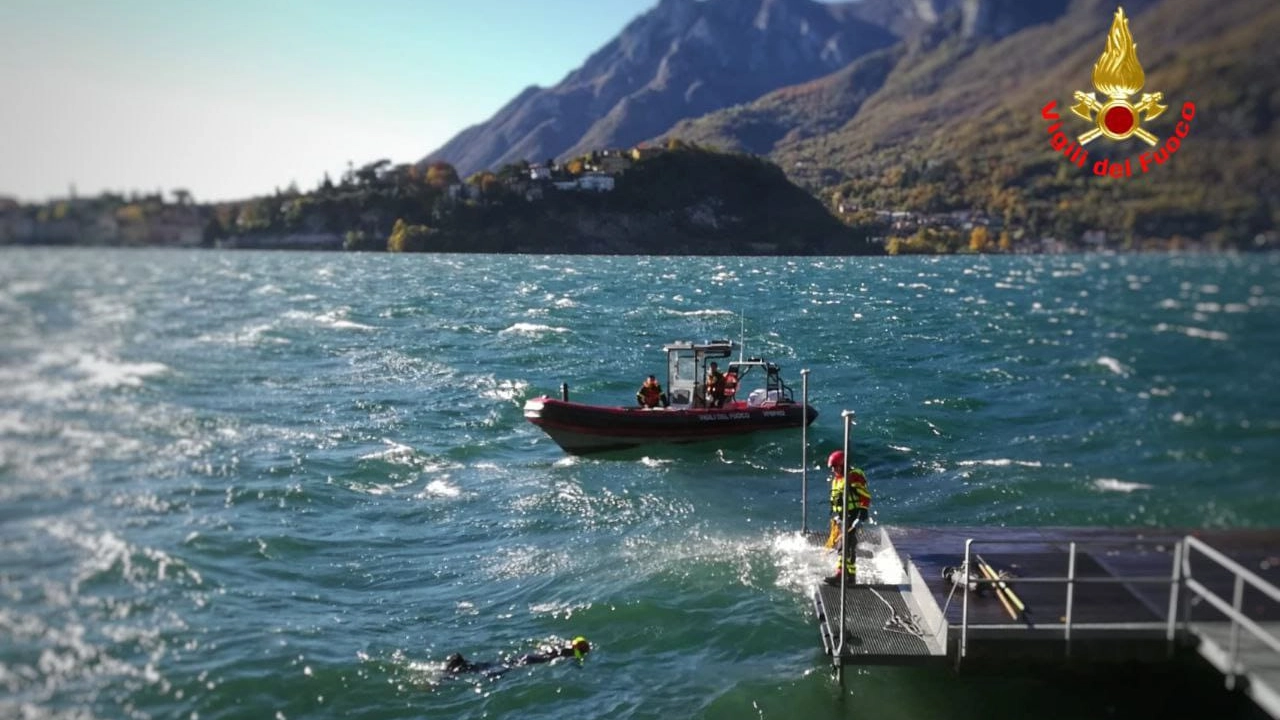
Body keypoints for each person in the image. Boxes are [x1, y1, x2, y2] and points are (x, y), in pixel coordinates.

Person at [823, 450, 871, 586]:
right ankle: (850, 576)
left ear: (843, 465)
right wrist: (837, 516)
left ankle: (840, 574)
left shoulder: (853, 476)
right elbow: (836, 500)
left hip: (852, 515)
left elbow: (865, 496)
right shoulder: (837, 480)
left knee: (844, 545)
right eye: (832, 468)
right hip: (842, 517)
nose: (833, 470)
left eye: (835, 467)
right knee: (847, 546)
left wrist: (861, 514)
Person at [444, 636, 591, 678]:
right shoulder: (571, 652)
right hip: (530, 660)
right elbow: (576, 662)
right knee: (497, 670)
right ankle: (462, 666)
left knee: (496, 665)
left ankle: (464, 664)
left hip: (529, 657)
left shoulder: (564, 646)